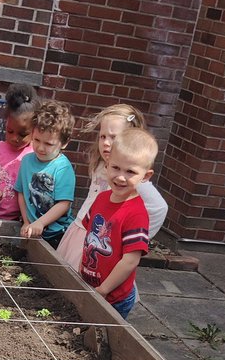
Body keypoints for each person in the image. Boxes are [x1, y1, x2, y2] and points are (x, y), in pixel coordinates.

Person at [58, 103, 168, 269]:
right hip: (80, 230)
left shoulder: (132, 177)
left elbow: (158, 208)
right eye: (103, 137)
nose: (106, 143)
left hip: (101, 241)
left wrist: (130, 239)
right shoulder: (101, 164)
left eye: (113, 137)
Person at [78, 128, 157, 319]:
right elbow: (89, 236)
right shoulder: (101, 199)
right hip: (92, 284)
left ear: (146, 176)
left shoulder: (136, 213)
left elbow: (130, 260)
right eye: (116, 168)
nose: (120, 177)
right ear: (107, 165)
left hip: (113, 296)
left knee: (104, 338)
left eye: (130, 172)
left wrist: (104, 289)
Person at [16, 100, 76, 244]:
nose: (40, 148)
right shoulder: (26, 161)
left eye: (49, 144)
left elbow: (64, 204)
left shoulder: (63, 168)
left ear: (65, 143)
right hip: (32, 228)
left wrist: (41, 223)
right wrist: (26, 221)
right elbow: (21, 193)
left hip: (57, 234)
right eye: (36, 140)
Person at [0, 83, 37, 221]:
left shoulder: (34, 154)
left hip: (19, 219)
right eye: (10, 131)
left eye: (22, 134)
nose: (14, 138)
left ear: (34, 130)